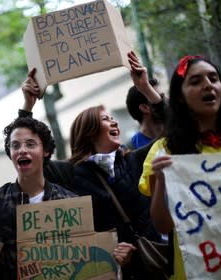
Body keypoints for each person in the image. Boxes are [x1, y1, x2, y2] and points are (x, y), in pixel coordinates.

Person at [20, 51, 167, 280]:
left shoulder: (135, 160)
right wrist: (28, 105)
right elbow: (28, 160)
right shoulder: (70, 173)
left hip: (153, 266)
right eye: (106, 119)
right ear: (88, 131)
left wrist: (146, 89)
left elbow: (177, 132)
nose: (114, 121)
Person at [137, 54, 221, 279]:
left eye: (213, 78)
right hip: (201, 269)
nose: (208, 85)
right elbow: (163, 225)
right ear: (180, 97)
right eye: (196, 81)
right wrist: (161, 181)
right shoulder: (165, 151)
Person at [0, 117, 77, 279]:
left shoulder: (70, 203)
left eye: (30, 144)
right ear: (10, 153)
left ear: (46, 151)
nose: (22, 150)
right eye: (15, 145)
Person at [125, 77, 166, 150]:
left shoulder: (178, 133)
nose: (166, 100)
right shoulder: (131, 150)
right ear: (145, 108)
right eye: (160, 97)